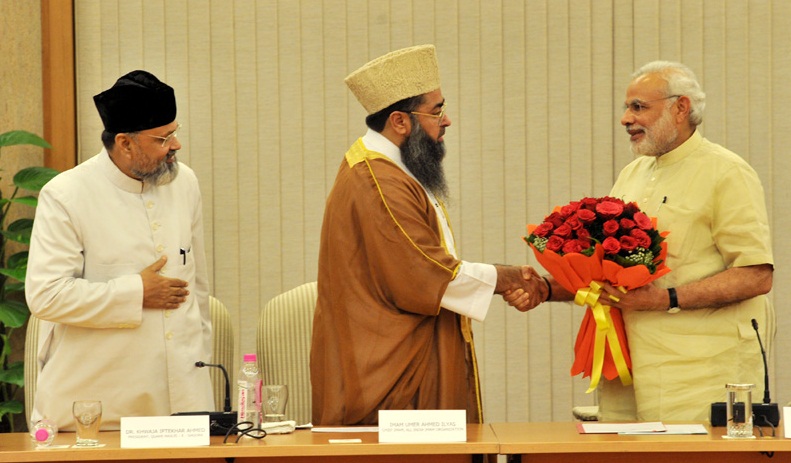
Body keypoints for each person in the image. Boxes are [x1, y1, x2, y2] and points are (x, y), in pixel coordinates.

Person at [310, 44, 547, 426]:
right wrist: (507, 279)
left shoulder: (392, 170)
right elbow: (425, 274)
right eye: (436, 111)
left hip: (403, 354)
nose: (447, 120)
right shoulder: (377, 181)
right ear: (400, 122)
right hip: (389, 373)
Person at [528, 61, 774, 422]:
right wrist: (547, 288)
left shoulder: (727, 172)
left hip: (701, 370)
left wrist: (664, 299)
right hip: (629, 365)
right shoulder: (633, 174)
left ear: (680, 108)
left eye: (638, 107)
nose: (626, 119)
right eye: (627, 108)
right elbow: (612, 275)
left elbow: (756, 275)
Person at [26, 70, 214, 430]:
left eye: (175, 133)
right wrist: (137, 291)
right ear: (125, 143)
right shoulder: (66, 195)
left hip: (182, 404)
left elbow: (197, 289)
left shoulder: (184, 182)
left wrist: (198, 377)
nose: (175, 146)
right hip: (97, 407)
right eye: (163, 138)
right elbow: (46, 296)